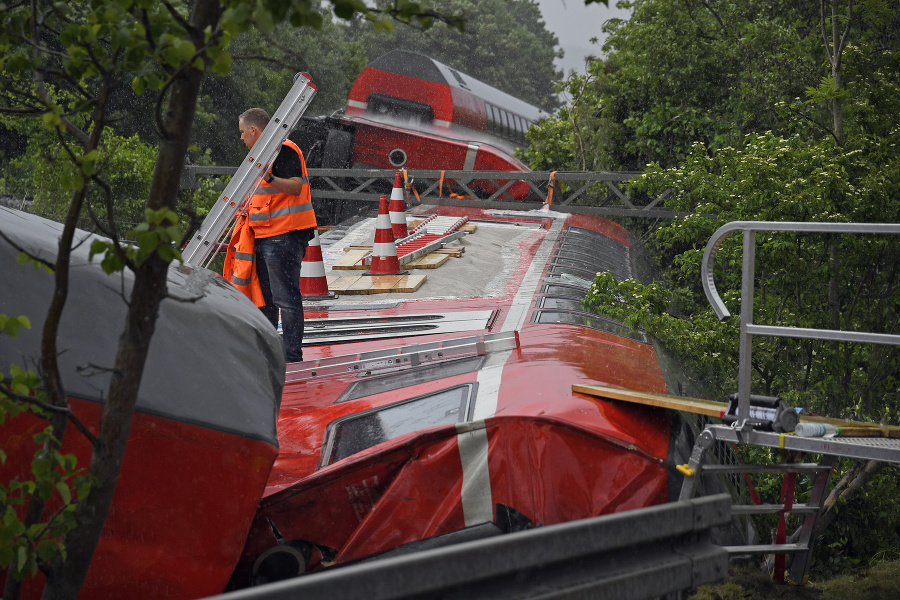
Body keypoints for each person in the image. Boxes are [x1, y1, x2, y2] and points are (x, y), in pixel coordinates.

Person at [226, 107, 317, 363]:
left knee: (285, 298)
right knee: (267, 299)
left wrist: (268, 176)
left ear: (254, 130)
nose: (241, 138)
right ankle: (273, 352)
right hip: (266, 235)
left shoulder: (282, 149)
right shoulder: (262, 155)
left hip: (284, 235)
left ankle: (290, 355)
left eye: (243, 133)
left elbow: (296, 187)